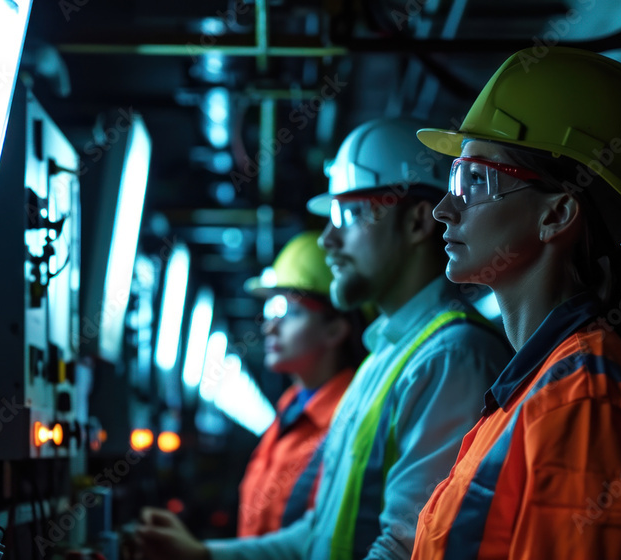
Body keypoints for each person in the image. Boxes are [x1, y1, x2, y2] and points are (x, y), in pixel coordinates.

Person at [136, 117, 511, 560]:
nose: (329, 239)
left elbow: (407, 548)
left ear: (415, 223)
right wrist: (202, 555)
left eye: (348, 214)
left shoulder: (451, 358)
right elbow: (320, 533)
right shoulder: (384, 361)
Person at [410, 46, 621, 559]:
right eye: (454, 176)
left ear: (558, 214)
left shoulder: (583, 403)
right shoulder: (535, 389)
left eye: (474, 180)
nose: (443, 208)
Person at [238, 230, 369, 537]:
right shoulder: (289, 410)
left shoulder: (352, 419)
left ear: (335, 329)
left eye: (290, 311)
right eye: (271, 310)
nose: (271, 327)